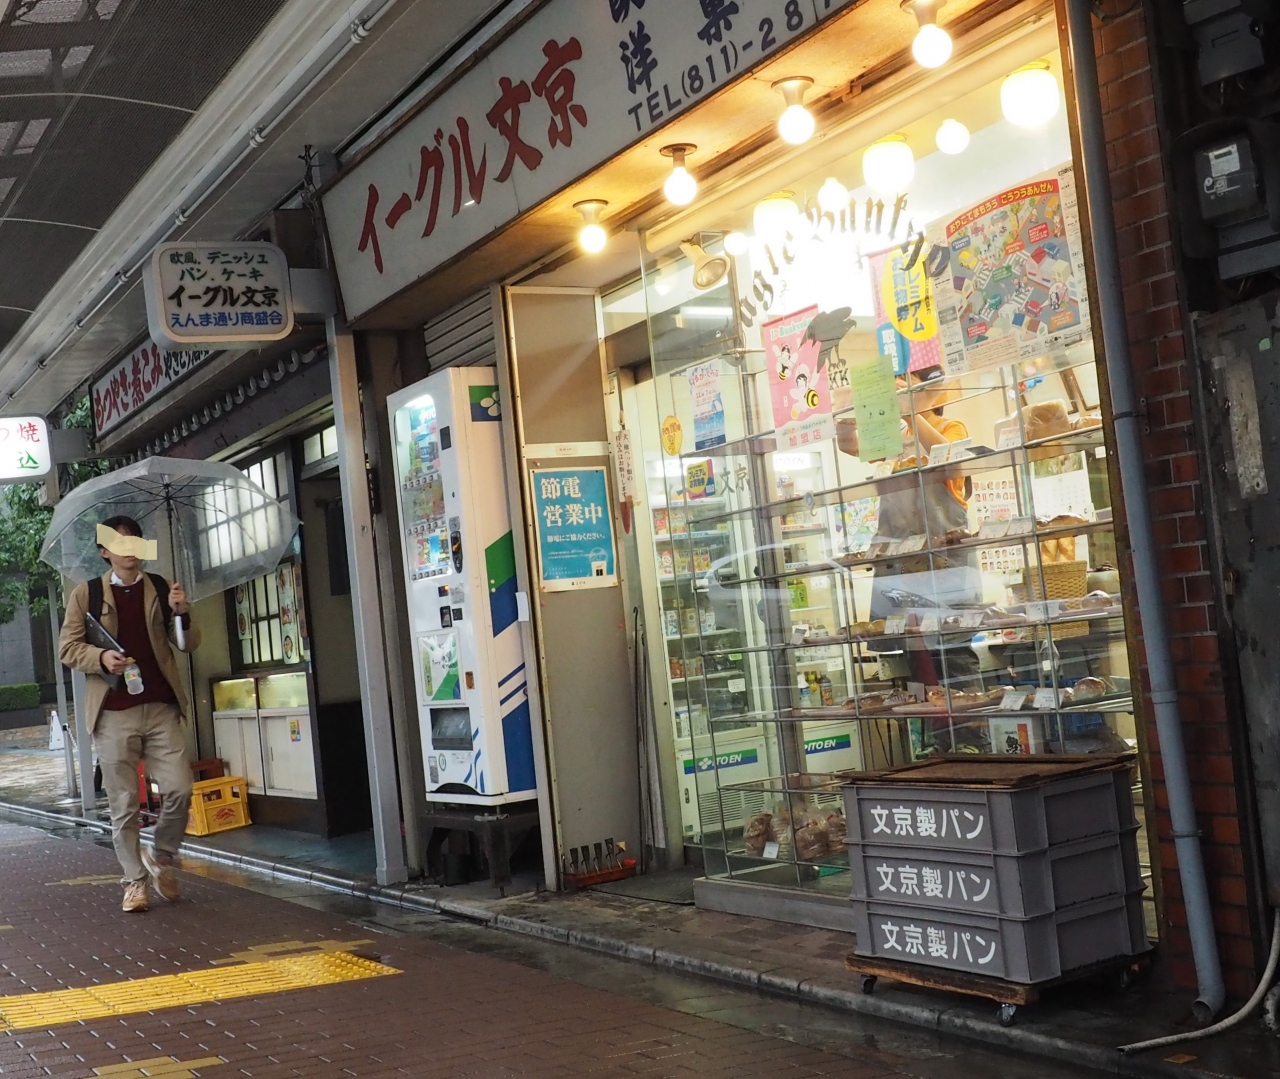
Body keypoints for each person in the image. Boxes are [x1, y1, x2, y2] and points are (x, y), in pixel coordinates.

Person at [59, 515, 201, 913]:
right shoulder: (86, 594)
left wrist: (181, 613)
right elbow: (67, 648)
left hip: (160, 706)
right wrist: (101, 657)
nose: (129, 551)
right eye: (119, 544)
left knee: (180, 788)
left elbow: (188, 644)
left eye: (135, 542)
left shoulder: (161, 587)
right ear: (104, 552)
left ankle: (163, 855)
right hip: (113, 711)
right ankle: (134, 882)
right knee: (124, 804)